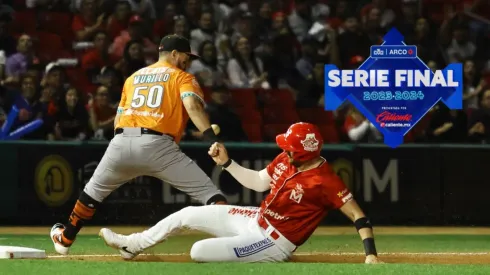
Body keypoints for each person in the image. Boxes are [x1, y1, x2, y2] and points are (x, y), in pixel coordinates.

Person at [98, 122, 382, 264]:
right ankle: (132, 245)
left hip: (275, 242)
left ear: (305, 153)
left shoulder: (325, 180)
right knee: (187, 214)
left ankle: (243, 249)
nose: (284, 150)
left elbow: (358, 215)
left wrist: (370, 255)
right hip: (256, 218)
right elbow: (259, 182)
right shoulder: (287, 159)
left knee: (198, 252)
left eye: (289, 148)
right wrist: (227, 164)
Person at [50, 34, 228, 255]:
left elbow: (118, 120)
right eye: (186, 56)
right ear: (174, 54)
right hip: (159, 146)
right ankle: (233, 241)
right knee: (212, 196)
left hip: (121, 142)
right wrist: (212, 139)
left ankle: (65, 239)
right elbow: (192, 106)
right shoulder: (182, 77)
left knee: (91, 193)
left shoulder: (133, 77)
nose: (188, 61)